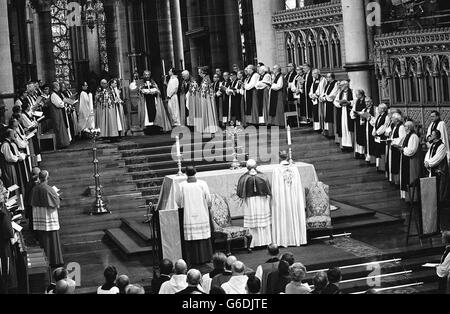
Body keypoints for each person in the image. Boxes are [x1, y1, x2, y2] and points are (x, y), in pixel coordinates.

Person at [176, 166, 213, 265]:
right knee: (203, 235)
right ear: (196, 172)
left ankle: (191, 259)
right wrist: (208, 206)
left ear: (185, 173)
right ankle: (206, 257)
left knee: (191, 236)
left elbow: (178, 200)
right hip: (202, 213)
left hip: (189, 214)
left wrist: (182, 207)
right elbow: (209, 199)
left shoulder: (182, 185)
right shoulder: (202, 184)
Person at [272, 151, 307, 247]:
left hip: (282, 198)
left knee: (283, 214)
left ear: (279, 157)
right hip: (294, 197)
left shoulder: (276, 170)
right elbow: (298, 186)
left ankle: (283, 240)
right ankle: (298, 238)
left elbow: (275, 189)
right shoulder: (294, 168)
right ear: (287, 156)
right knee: (294, 212)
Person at [30, 170, 64, 267]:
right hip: (49, 217)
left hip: (39, 218)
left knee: (43, 240)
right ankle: (55, 261)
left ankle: (45, 261)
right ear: (47, 178)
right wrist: (57, 196)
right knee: (53, 240)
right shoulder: (48, 189)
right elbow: (56, 202)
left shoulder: (35, 188)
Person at [237, 159, 271, 248]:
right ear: (256, 166)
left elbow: (240, 193)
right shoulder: (263, 176)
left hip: (250, 204)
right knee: (262, 220)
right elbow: (268, 190)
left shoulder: (244, 178)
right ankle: (265, 241)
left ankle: (252, 244)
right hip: (261, 202)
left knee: (252, 222)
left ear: (247, 167)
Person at [398, 121, 422, 202]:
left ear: (408, 127)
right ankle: (407, 197)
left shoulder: (413, 136)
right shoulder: (407, 135)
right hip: (406, 158)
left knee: (411, 178)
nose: (404, 128)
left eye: (405, 126)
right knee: (405, 177)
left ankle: (413, 197)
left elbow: (412, 150)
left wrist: (403, 149)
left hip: (412, 161)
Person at [0, 190, 18, 294]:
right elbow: (8, 233)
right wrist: (13, 234)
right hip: (3, 247)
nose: (4, 194)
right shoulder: (2, 213)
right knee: (5, 271)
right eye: (2, 193)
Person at [424, 129, 449, 203]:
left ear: (435, 136)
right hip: (432, 169)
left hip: (439, 171)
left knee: (439, 190)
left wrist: (429, 163)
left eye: (432, 134)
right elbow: (428, 155)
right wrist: (426, 161)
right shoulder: (433, 145)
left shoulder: (442, 146)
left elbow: (438, 158)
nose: (430, 136)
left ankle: (440, 204)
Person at [0, 129, 27, 193]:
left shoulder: (9, 143)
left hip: (12, 164)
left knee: (15, 180)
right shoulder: (5, 144)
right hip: (8, 166)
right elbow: (9, 157)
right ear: (9, 135)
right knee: (11, 181)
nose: (14, 136)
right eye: (13, 134)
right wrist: (18, 158)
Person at [385, 113, 405, 185]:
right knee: (391, 163)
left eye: (392, 118)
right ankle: (392, 179)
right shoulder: (394, 126)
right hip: (392, 147)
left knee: (396, 164)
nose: (391, 119)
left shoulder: (401, 127)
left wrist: (392, 141)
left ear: (397, 119)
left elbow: (402, 138)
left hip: (396, 148)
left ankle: (397, 181)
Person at [49, 82, 71, 148]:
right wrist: (63, 102)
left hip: (59, 112)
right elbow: (59, 104)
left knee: (61, 127)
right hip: (56, 113)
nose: (59, 87)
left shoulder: (56, 94)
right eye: (58, 86)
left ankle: (64, 142)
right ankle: (61, 143)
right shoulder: (53, 95)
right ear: (55, 87)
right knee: (59, 127)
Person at [198, 67, 219, 134]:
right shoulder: (206, 78)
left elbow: (203, 90)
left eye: (199, 72)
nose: (198, 74)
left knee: (208, 110)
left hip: (207, 98)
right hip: (207, 97)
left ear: (202, 73)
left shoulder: (206, 79)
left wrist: (199, 91)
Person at [371, 103, 391, 171]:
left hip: (381, 136)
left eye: (379, 108)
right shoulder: (378, 115)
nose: (377, 109)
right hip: (377, 137)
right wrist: (374, 132)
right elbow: (375, 124)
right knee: (377, 150)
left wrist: (377, 132)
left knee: (382, 151)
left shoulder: (386, 117)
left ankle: (382, 167)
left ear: (383, 109)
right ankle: (378, 166)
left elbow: (384, 126)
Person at [320, 73, 339, 138]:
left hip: (331, 103)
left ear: (331, 77)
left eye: (328, 77)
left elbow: (334, 93)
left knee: (331, 117)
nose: (327, 78)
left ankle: (332, 133)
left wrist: (326, 97)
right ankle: (327, 132)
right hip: (326, 102)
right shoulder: (328, 84)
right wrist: (322, 96)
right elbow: (324, 92)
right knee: (327, 117)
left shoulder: (336, 83)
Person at [351, 90, 368, 160]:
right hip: (358, 120)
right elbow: (353, 109)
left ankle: (363, 153)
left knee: (363, 136)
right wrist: (353, 114)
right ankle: (359, 152)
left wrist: (361, 113)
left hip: (364, 121)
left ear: (361, 94)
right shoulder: (357, 101)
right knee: (359, 136)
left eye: (357, 95)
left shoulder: (366, 100)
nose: (356, 96)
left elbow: (367, 111)